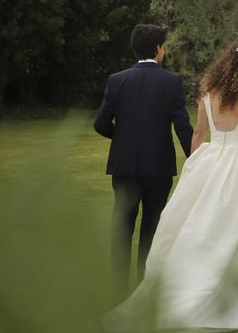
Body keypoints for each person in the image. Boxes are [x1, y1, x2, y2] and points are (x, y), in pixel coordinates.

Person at [102, 40, 238, 332]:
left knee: (201, 222)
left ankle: (190, 280)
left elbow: (198, 134)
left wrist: (195, 164)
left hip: (212, 158)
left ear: (225, 62)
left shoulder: (207, 94)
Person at [94, 24, 194, 297]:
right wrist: (196, 157)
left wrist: (122, 139)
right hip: (158, 168)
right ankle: (142, 291)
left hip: (123, 166)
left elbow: (101, 124)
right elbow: (182, 127)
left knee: (122, 224)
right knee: (151, 226)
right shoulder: (171, 82)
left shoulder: (117, 80)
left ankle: (116, 291)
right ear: (159, 49)